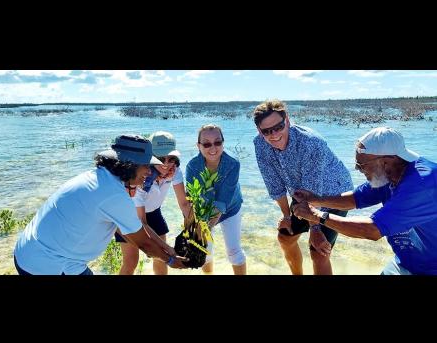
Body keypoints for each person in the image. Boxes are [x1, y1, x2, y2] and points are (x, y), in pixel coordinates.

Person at [13, 134, 188, 275]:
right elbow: (145, 245)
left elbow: (132, 232)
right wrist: (172, 261)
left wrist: (167, 249)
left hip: (44, 254)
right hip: (46, 265)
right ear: (130, 165)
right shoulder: (114, 194)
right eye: (146, 165)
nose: (149, 171)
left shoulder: (101, 177)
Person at [292, 127, 437, 275]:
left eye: (361, 165)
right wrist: (316, 199)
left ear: (386, 162)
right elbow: (355, 198)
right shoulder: (390, 174)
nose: (356, 168)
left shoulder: (422, 184)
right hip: (406, 263)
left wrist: (316, 216)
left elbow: (371, 230)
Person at [253, 99, 353, 275]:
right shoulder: (260, 144)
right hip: (301, 193)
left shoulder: (311, 143)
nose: (274, 134)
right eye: (267, 131)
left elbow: (313, 193)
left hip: (335, 193)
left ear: (288, 121)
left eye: (278, 127)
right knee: (285, 237)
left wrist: (315, 229)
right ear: (259, 131)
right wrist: (286, 216)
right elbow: (274, 185)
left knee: (319, 251)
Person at [114, 131, 191, 275]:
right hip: (130, 215)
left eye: (171, 158)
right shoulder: (140, 178)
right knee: (131, 262)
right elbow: (141, 222)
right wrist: (168, 249)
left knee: (161, 260)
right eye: (161, 158)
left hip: (154, 213)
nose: (166, 164)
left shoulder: (176, 172)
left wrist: (195, 230)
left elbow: (185, 205)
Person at [185, 124, 246, 275]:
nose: (213, 148)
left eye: (217, 142)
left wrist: (209, 226)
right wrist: (196, 228)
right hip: (204, 210)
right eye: (206, 143)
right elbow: (192, 198)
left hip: (231, 208)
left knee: (234, 251)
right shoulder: (192, 166)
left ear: (223, 143)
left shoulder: (233, 163)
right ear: (198, 146)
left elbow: (224, 199)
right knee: (204, 251)